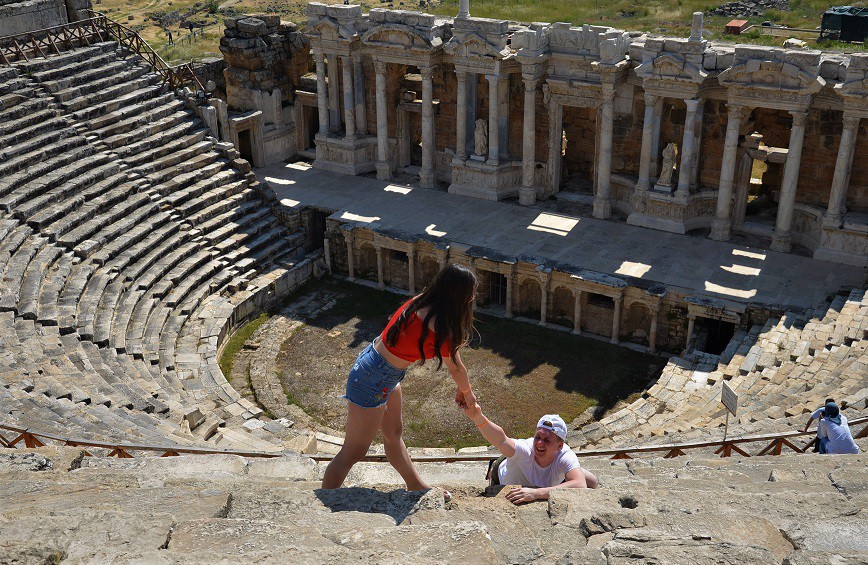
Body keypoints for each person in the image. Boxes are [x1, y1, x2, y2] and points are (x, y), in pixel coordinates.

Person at [321, 264, 479, 494]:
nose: (473, 297)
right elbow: (456, 368)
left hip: (377, 366)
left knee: (393, 435)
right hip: (374, 377)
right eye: (471, 293)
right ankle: (324, 501)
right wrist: (467, 393)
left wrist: (463, 388)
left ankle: (416, 486)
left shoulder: (422, 301)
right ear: (463, 296)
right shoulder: (440, 327)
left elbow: (453, 362)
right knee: (353, 451)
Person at [463, 404, 598, 505]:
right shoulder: (525, 450)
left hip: (543, 477)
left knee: (592, 481)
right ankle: (570, 472)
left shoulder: (565, 454)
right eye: (537, 437)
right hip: (502, 472)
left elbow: (581, 485)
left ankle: (571, 471)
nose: (539, 443)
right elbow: (501, 440)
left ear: (559, 446)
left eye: (546, 440)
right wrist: (478, 418)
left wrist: (536, 493)